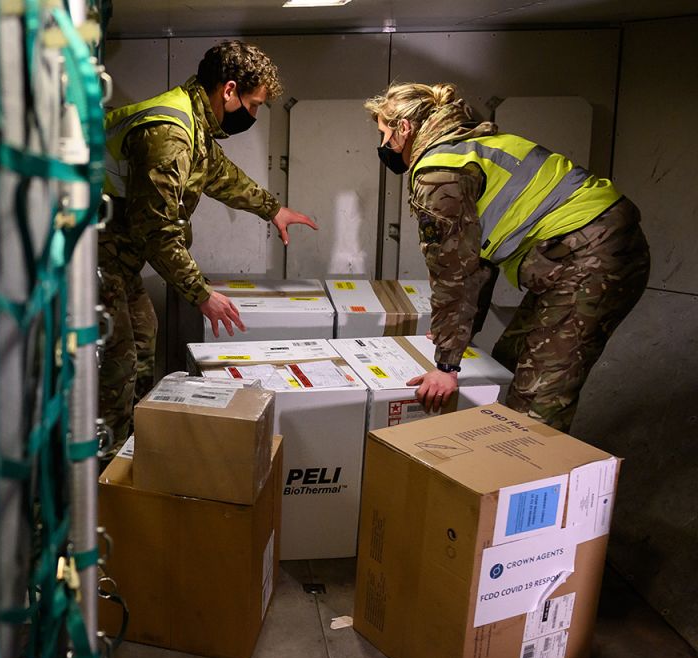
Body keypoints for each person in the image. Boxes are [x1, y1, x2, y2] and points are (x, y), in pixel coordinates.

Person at [364, 82, 650, 431]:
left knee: (535, 401)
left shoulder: (438, 173)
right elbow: (477, 261)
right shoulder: (476, 144)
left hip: (592, 258)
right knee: (506, 364)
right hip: (587, 250)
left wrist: (446, 366)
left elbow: (454, 272)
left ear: (404, 129)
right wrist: (457, 338)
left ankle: (525, 469)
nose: (383, 145)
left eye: (383, 133)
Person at [98, 40, 317, 456]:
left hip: (118, 261)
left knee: (145, 337)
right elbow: (157, 229)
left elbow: (220, 175)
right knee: (120, 359)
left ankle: (131, 442)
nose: (253, 116)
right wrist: (201, 295)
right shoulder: (171, 133)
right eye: (253, 105)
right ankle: (105, 463)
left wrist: (273, 209)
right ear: (229, 90)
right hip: (91, 258)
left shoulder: (194, 123)